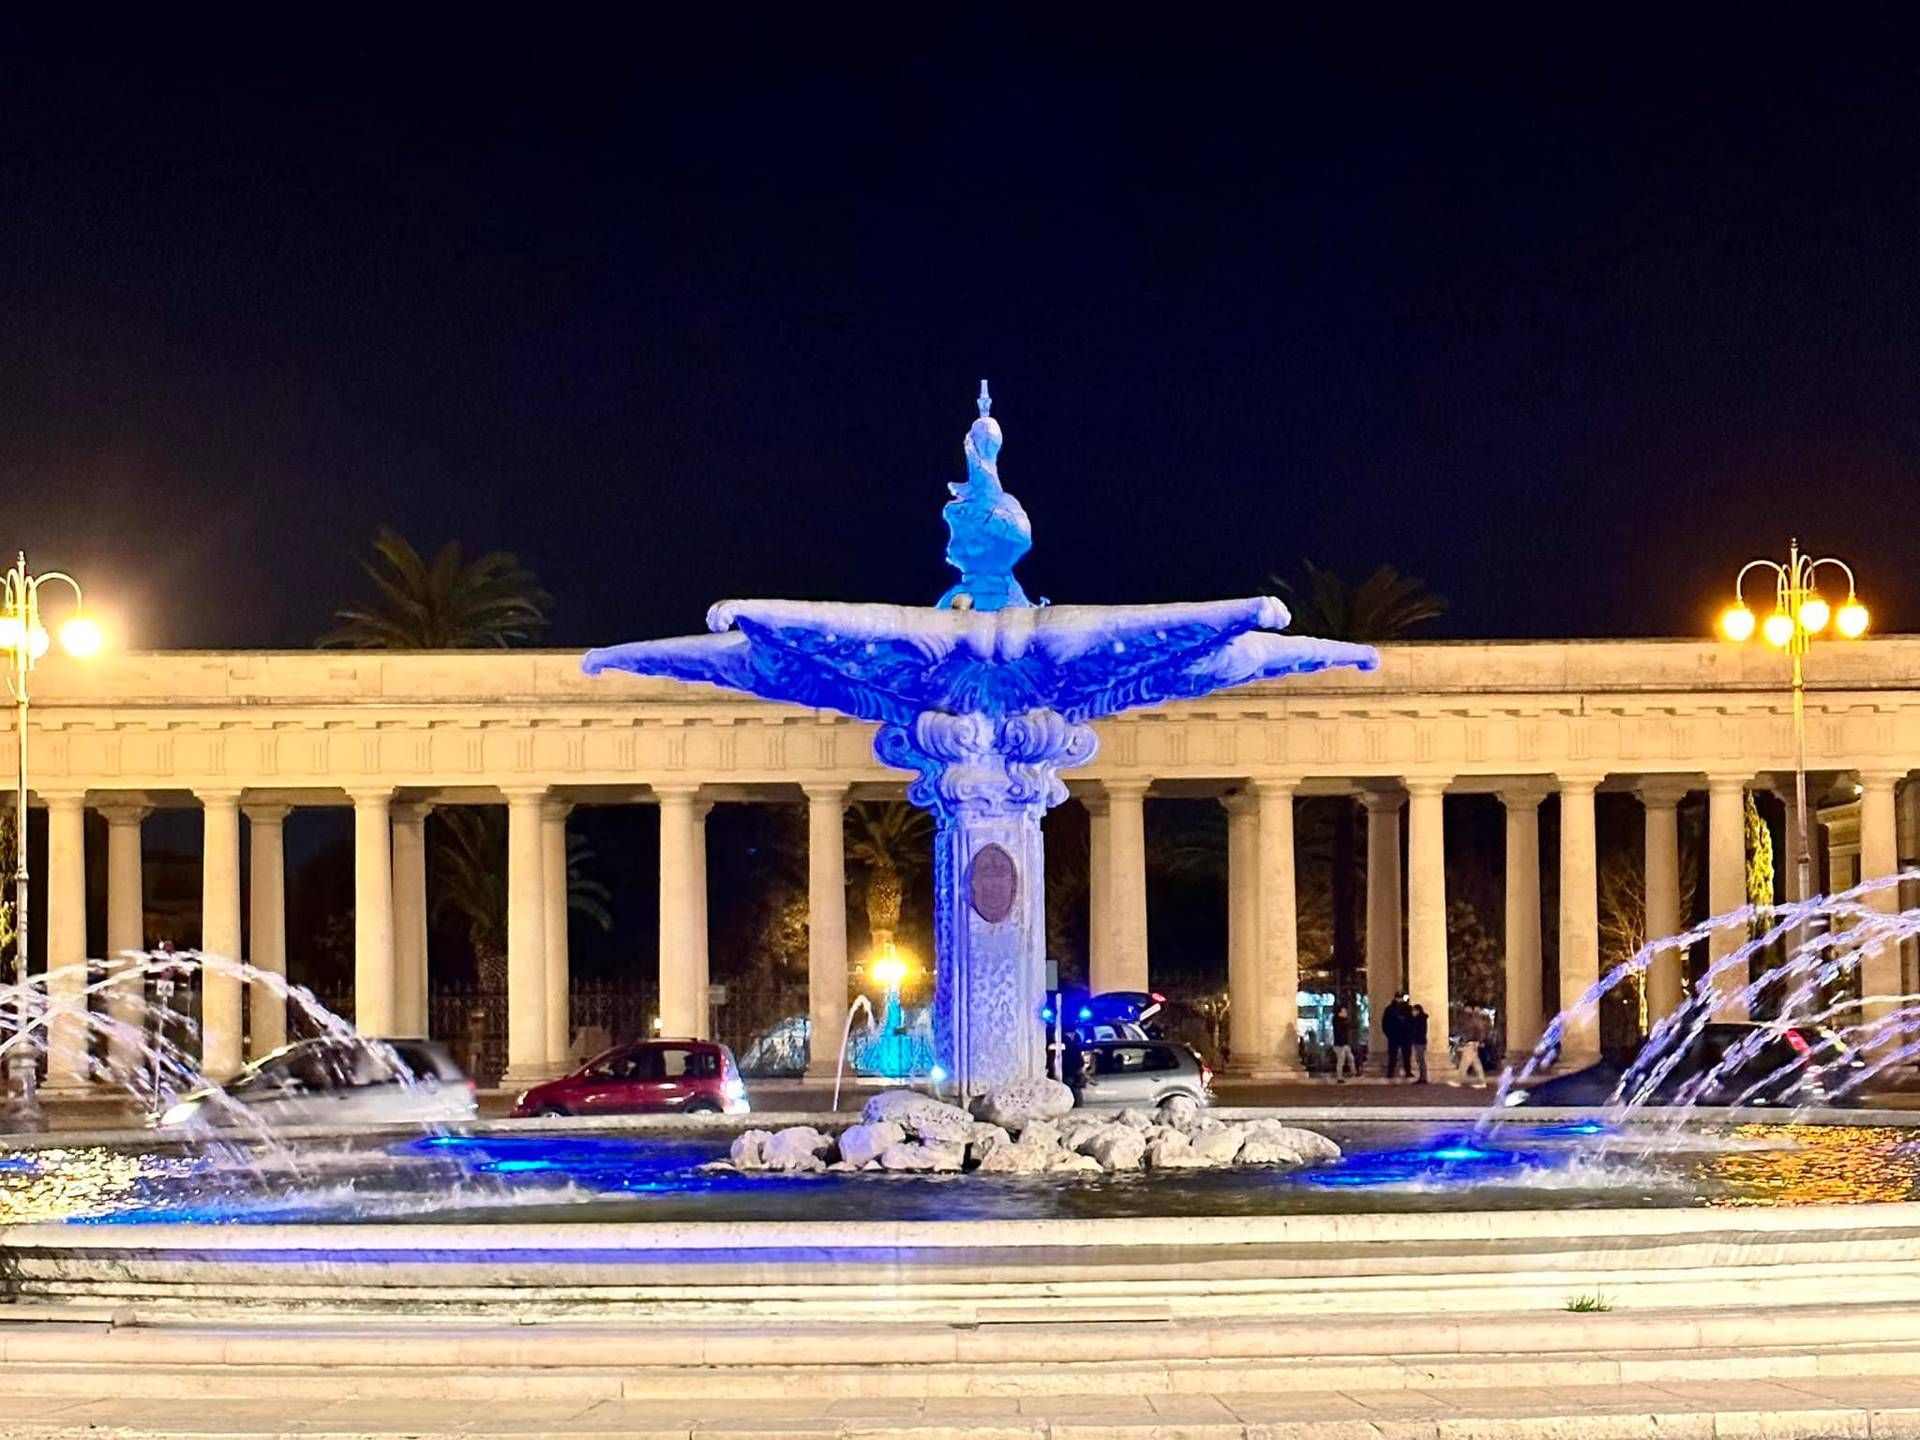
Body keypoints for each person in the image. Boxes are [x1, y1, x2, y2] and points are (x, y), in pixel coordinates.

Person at [1451, 1011, 1488, 1087]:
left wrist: (1476, 1042)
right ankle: (1482, 1082)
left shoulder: (1473, 1023)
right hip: (1472, 1044)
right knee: (1476, 1064)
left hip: (1471, 1044)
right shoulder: (1476, 1023)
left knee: (1464, 1064)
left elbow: (1472, 1034)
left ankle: (1458, 1081)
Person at [1382, 994, 1412, 1080]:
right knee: (1393, 1055)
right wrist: (1389, 1033)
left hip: (1404, 1035)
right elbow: (1385, 1023)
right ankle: (1390, 1072)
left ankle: (1407, 1071)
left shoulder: (1407, 1008)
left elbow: (1411, 1021)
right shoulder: (1390, 1009)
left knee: (1406, 1055)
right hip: (1394, 1035)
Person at [1329, 1005, 1356, 1082]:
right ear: (1340, 1013)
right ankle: (1339, 1077)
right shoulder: (1338, 1021)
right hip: (1339, 1044)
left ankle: (1353, 1072)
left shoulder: (1342, 1021)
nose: (1346, 1013)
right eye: (1344, 1011)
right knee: (1341, 1061)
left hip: (1344, 1043)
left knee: (1350, 1058)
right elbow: (1344, 1028)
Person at [1409, 1004, 1430, 1084]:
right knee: (1420, 1059)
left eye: (1414, 1011)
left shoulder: (1419, 1020)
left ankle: (1423, 1077)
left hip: (1419, 1042)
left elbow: (1418, 1031)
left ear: (1417, 1011)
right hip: (1419, 1041)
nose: (1412, 1012)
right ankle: (1422, 1077)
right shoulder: (1420, 1019)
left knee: (1421, 1059)